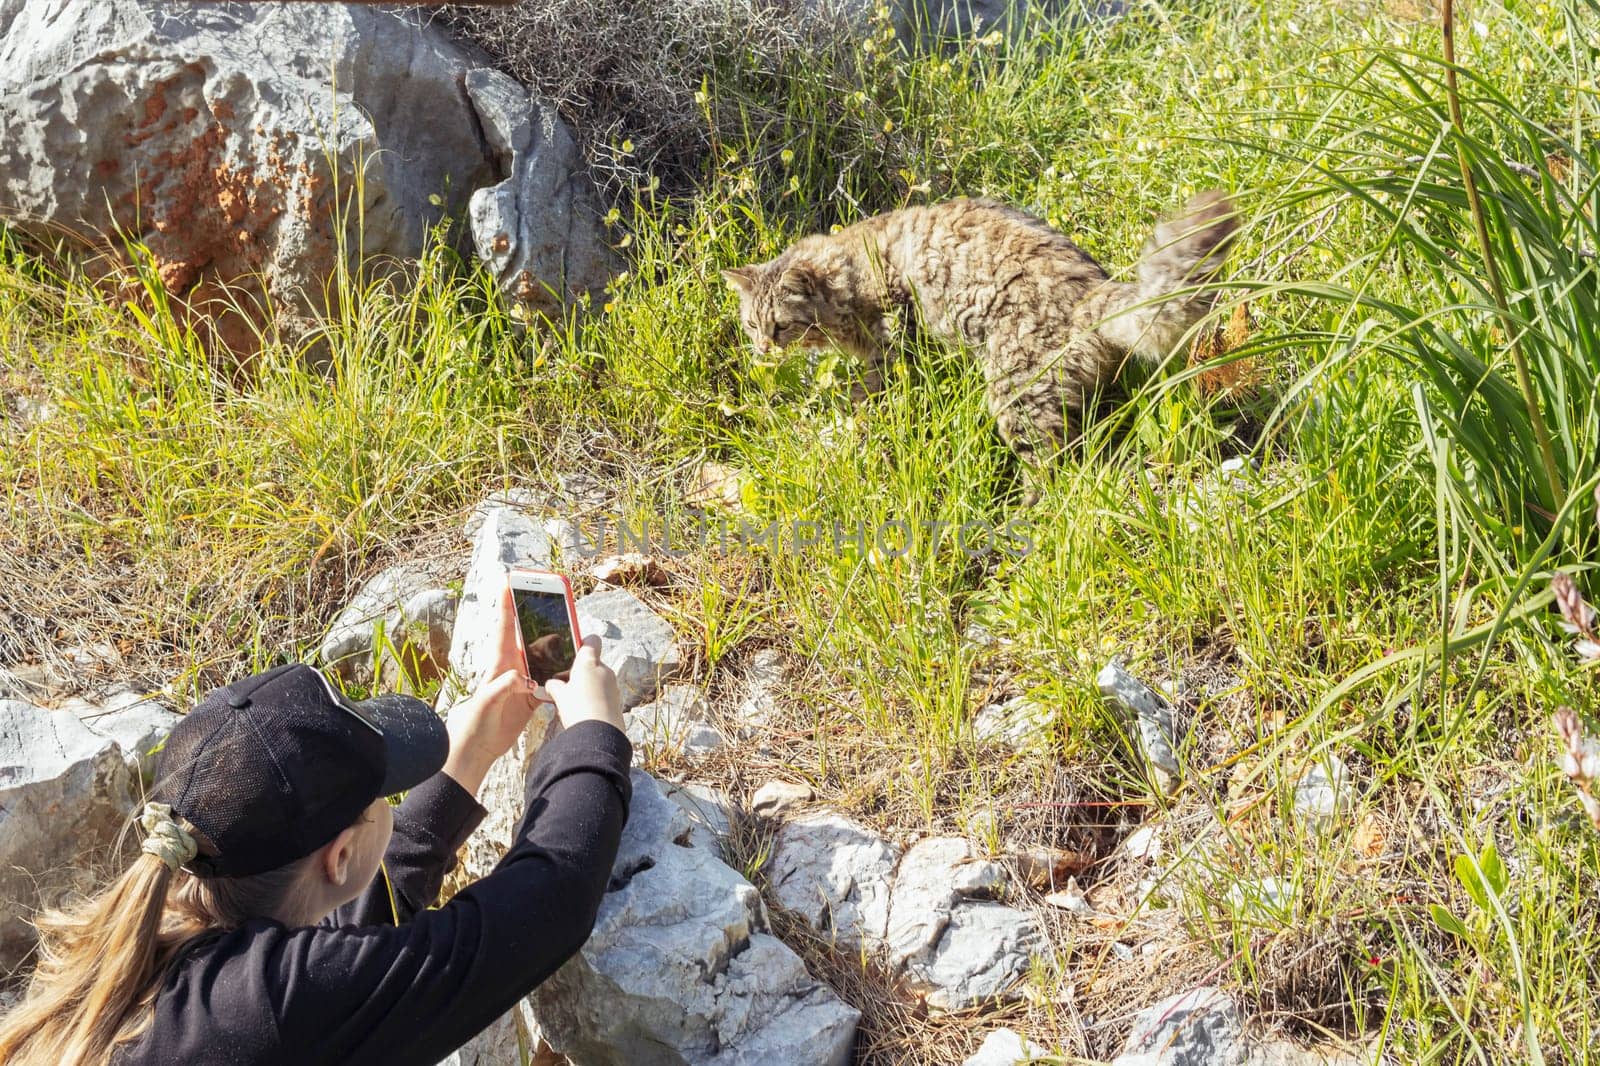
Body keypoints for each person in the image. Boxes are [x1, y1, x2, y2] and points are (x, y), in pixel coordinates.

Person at [0, 584, 631, 1066]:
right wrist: (594, 735)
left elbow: (347, 963)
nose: (393, 800)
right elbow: (547, 907)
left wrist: (466, 760)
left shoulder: (149, 945)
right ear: (339, 857)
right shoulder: (268, 1007)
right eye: (386, 793)